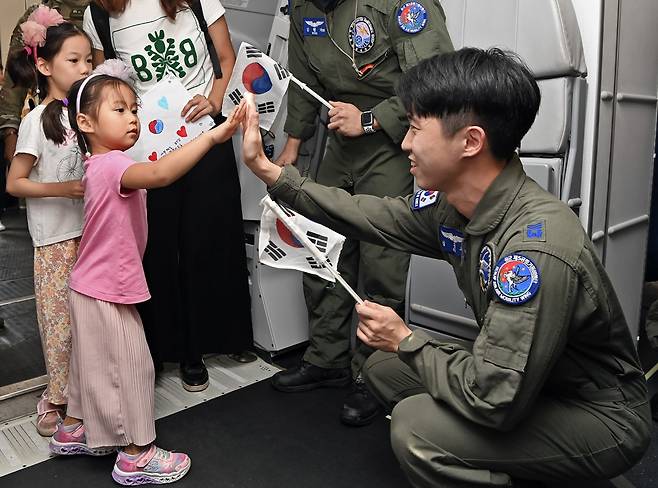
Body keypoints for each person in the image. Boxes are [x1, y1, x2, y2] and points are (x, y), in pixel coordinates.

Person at [239, 48, 651, 486]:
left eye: (416, 129)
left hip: (596, 412)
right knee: (380, 366)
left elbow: (492, 397)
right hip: (532, 383)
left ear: (470, 142)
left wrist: (407, 339)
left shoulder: (534, 249)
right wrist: (271, 172)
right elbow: (367, 215)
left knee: (416, 428)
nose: (404, 143)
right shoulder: (458, 208)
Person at [47, 60, 246, 485]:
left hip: (89, 285)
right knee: (134, 366)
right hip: (106, 290)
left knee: (92, 366)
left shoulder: (102, 165)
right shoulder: (114, 167)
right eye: (119, 110)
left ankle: (75, 428)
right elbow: (160, 173)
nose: (133, 117)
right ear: (85, 122)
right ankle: (137, 453)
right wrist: (212, 135)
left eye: (134, 109)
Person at [272, 0, 454, 427]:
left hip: (394, 139)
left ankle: (373, 375)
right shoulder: (302, 9)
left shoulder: (403, 5)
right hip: (338, 140)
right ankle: (327, 358)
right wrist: (293, 147)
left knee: (381, 261)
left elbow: (437, 79)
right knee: (323, 249)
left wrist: (371, 119)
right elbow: (300, 82)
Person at [82, 0, 255, 393]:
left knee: (207, 241)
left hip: (203, 137)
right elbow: (104, 84)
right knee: (154, 248)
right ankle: (157, 350)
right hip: (145, 148)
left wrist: (213, 101)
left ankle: (202, 348)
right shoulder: (99, 14)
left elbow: (225, 57)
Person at [5, 7, 89, 436]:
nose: (84, 68)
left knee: (90, 323)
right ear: (43, 65)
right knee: (58, 325)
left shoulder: (88, 116)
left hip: (91, 236)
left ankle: (86, 394)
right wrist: (65, 189)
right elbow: (15, 183)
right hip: (55, 240)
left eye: (88, 60)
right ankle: (55, 396)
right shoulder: (36, 121)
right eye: (73, 60)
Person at [0, 0, 90, 177]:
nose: (84, 67)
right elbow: (15, 80)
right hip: (50, 120)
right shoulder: (39, 15)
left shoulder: (104, 9)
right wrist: (10, 132)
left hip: (91, 113)